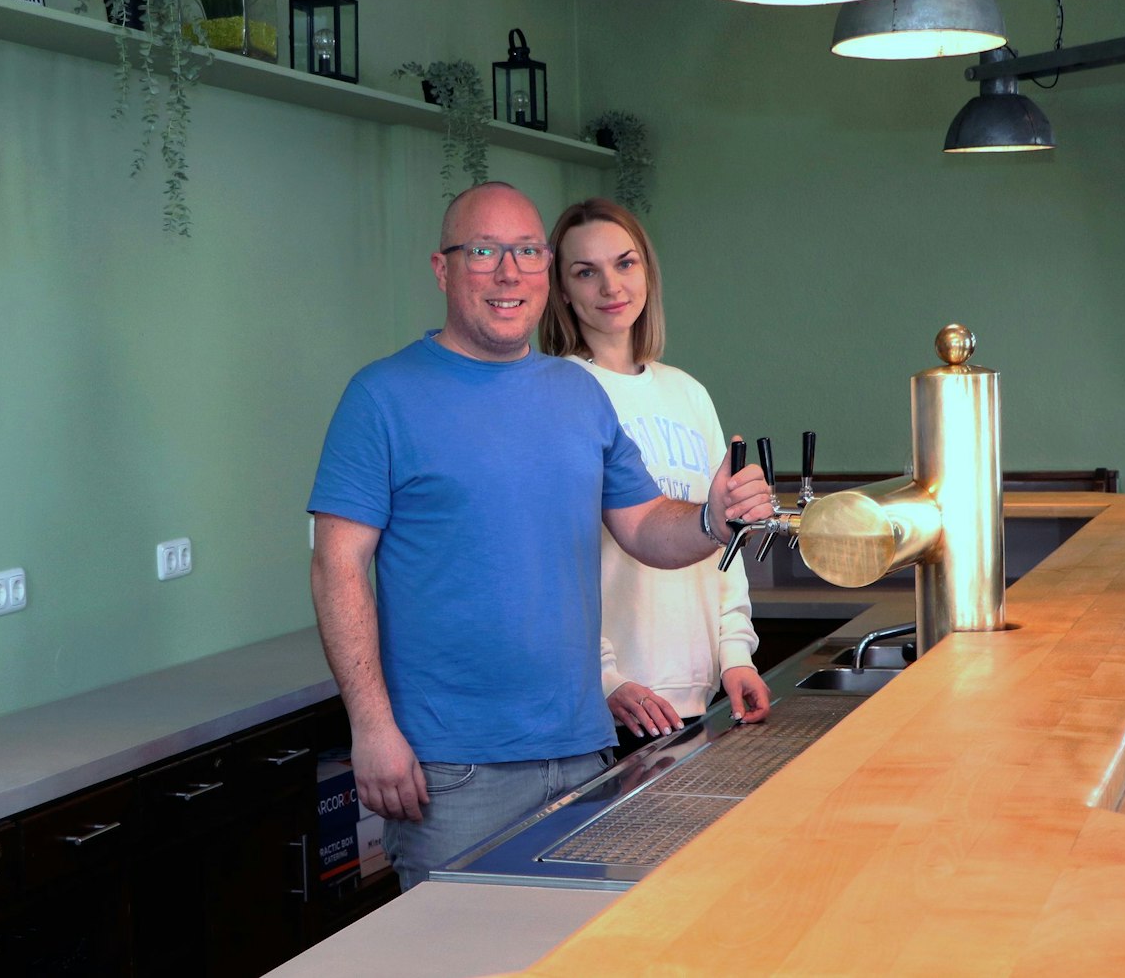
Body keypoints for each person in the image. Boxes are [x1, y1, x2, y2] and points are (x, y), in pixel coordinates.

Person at [306, 182, 776, 891]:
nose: (507, 272)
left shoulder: (576, 394)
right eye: (484, 251)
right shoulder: (382, 396)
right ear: (442, 268)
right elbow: (336, 566)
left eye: (526, 251)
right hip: (452, 771)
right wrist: (371, 727)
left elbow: (647, 525)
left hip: (582, 756)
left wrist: (712, 517)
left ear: (544, 269)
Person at [539, 198, 770, 753]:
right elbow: (550, 559)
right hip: (613, 707)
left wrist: (735, 655)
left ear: (647, 271)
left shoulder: (688, 392)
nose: (610, 286)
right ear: (562, 290)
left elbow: (724, 536)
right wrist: (603, 678)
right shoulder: (555, 391)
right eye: (585, 272)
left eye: (625, 263)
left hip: (698, 697)